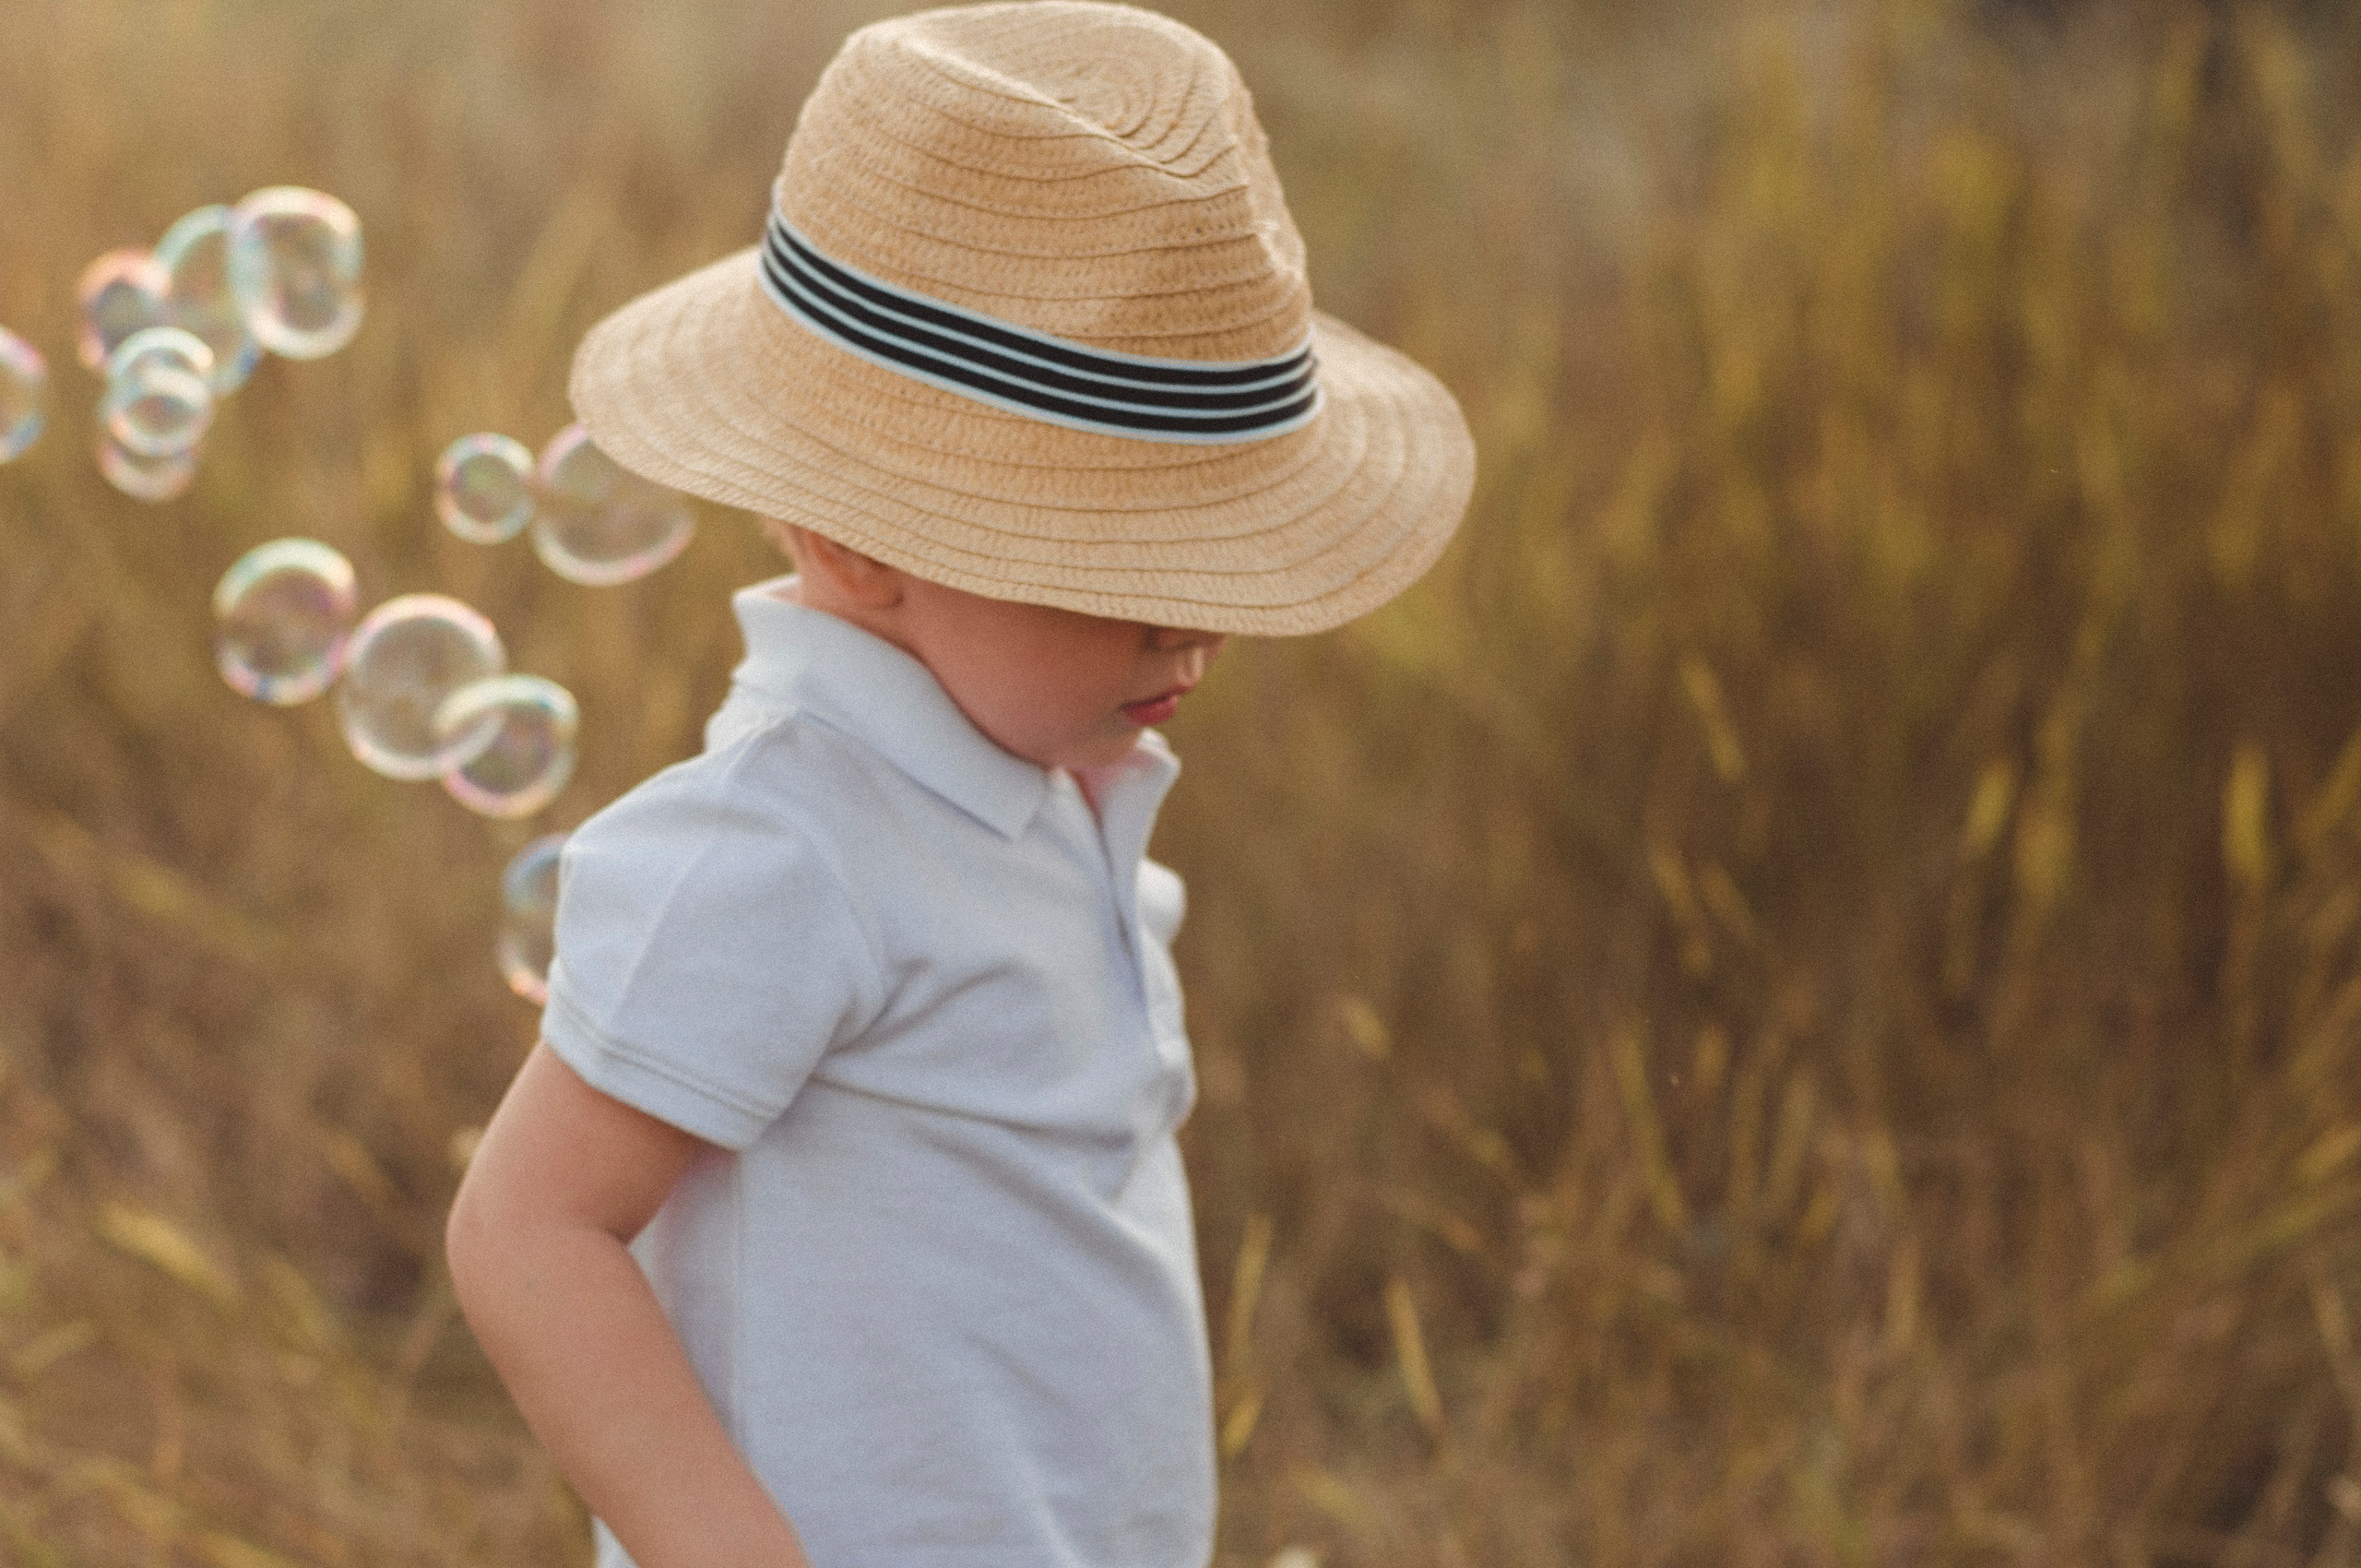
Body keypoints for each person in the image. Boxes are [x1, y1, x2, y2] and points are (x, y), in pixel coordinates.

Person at [443, 4, 1475, 1565]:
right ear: (862, 540)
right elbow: (526, 1230)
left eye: (1212, 571)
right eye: (1125, 580)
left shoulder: (1041, 774)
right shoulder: (783, 841)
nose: (1193, 630)